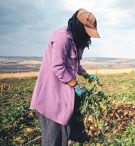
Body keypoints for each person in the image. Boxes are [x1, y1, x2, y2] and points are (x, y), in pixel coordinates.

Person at [30, 8, 100, 146]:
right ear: (79, 26)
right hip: (51, 95)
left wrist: (87, 76)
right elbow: (58, 66)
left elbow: (75, 64)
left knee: (64, 135)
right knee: (53, 137)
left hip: (64, 96)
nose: (88, 35)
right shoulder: (62, 37)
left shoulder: (76, 40)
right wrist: (75, 85)